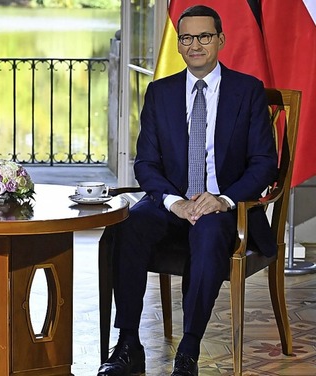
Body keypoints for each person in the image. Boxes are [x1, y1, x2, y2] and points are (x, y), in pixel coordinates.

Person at [97, 5, 277, 376]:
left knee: (208, 234)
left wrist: (223, 199)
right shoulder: (160, 93)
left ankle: (189, 350)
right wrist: (174, 201)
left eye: (204, 36)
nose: (195, 44)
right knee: (126, 227)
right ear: (179, 44)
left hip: (224, 207)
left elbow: (264, 162)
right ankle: (129, 344)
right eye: (187, 38)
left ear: (221, 40)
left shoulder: (247, 91)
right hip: (172, 203)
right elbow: (146, 163)